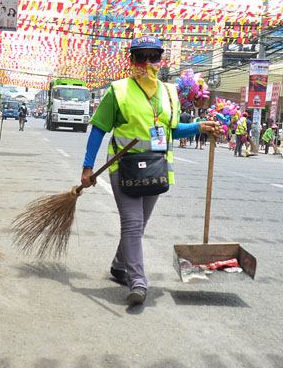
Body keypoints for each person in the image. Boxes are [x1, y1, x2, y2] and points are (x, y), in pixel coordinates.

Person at [79, 36, 220, 305]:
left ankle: (120, 266)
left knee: (139, 225)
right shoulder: (118, 91)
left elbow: (172, 129)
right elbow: (98, 128)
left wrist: (199, 127)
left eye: (152, 57)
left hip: (156, 168)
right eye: (140, 57)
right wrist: (87, 167)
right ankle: (138, 282)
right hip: (125, 167)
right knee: (132, 224)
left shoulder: (169, 93)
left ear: (160, 60)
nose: (146, 63)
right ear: (130, 60)